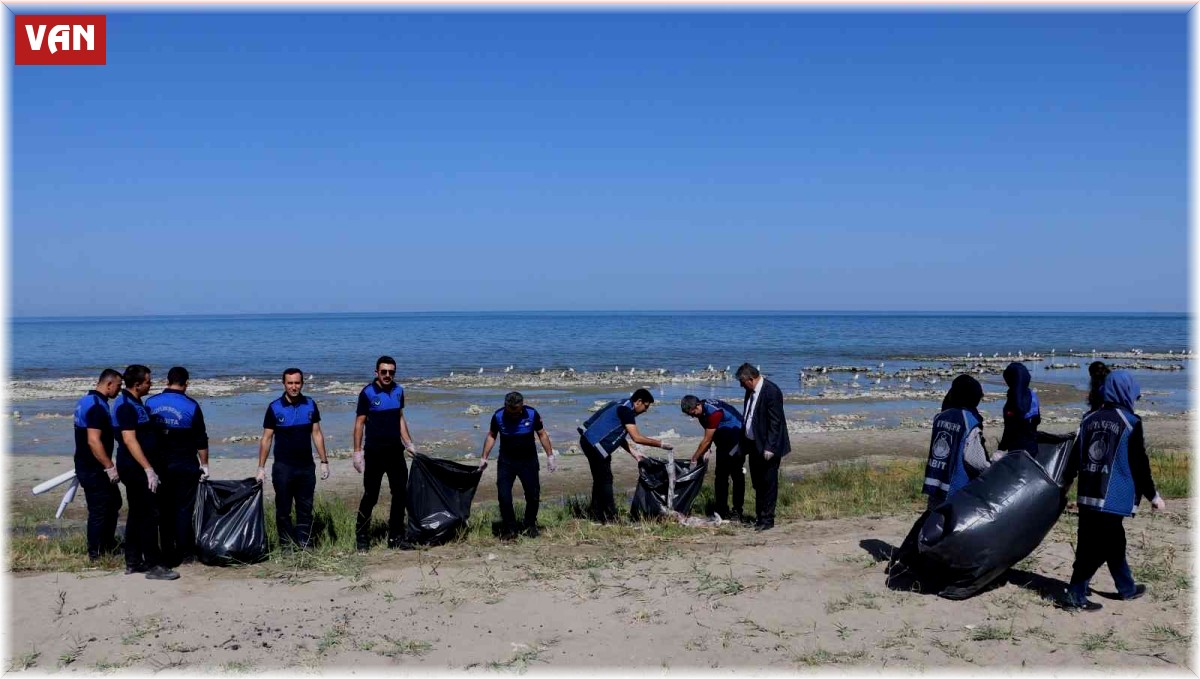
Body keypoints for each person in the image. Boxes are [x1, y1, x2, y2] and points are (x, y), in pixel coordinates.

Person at [1057, 371, 1165, 612]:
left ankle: (1126, 588)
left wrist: (1065, 483)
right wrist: (1153, 495)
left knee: (1106, 542)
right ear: (1125, 393)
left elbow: (1075, 456)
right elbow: (1140, 463)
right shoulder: (1131, 422)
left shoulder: (1088, 418)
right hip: (1112, 496)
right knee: (1098, 547)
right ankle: (1075, 593)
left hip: (1087, 494)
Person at [113, 365, 179, 581]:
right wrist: (148, 468)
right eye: (148, 381)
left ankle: (133, 561)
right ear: (137, 384)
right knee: (150, 514)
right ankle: (153, 564)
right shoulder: (124, 405)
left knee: (137, 514)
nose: (151, 384)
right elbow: (129, 439)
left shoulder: (135, 402)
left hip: (141, 467)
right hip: (135, 468)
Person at [257, 368, 330, 550]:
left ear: (302, 383)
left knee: (305, 508)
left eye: (297, 383)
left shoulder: (310, 404)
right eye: (290, 383)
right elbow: (266, 438)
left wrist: (324, 462)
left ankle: (305, 543)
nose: (294, 386)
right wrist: (261, 467)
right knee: (283, 510)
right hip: (283, 467)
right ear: (284, 384)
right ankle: (287, 546)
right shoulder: (275, 407)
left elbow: (317, 433)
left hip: (306, 467)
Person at [351, 356, 419, 551]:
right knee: (371, 496)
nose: (387, 375)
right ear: (376, 373)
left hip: (395, 452)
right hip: (374, 453)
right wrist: (357, 452)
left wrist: (408, 443)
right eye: (384, 372)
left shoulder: (399, 391)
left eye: (391, 372)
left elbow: (400, 418)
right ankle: (362, 537)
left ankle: (395, 537)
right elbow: (359, 424)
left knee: (400, 494)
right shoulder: (367, 393)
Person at [577, 388, 673, 523]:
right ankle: (611, 517)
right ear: (638, 401)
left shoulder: (621, 403)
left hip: (590, 442)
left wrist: (634, 453)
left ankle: (596, 514)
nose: (646, 410)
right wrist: (661, 444)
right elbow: (637, 438)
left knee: (600, 479)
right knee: (605, 480)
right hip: (594, 444)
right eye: (645, 406)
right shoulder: (626, 411)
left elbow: (617, 433)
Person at [146, 367, 209, 567]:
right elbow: (201, 440)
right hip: (184, 464)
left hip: (158, 465)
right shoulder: (191, 406)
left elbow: (144, 435)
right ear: (186, 383)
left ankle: (166, 550)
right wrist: (205, 464)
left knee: (163, 509)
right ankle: (186, 552)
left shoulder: (150, 403)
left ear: (167, 381)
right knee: (183, 510)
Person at [479, 391, 555, 538]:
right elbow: (492, 435)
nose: (514, 414)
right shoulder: (498, 416)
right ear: (505, 406)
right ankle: (510, 529)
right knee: (504, 496)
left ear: (522, 405)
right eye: (511, 411)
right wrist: (484, 458)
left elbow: (542, 434)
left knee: (533, 495)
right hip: (506, 462)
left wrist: (550, 455)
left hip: (528, 461)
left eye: (517, 411)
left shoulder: (532, 414)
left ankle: (529, 525)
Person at [72, 368, 124, 561]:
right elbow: (93, 441)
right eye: (118, 386)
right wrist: (110, 467)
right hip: (94, 468)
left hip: (88, 464)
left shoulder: (86, 400)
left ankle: (107, 544)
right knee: (100, 509)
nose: (119, 390)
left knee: (114, 502)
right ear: (108, 384)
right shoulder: (96, 406)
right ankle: (96, 554)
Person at [736, 364, 791, 531]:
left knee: (768, 483)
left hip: (768, 446)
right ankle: (760, 516)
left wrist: (770, 447)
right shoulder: (750, 391)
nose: (741, 386)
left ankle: (767, 520)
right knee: (757, 482)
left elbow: (776, 422)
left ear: (751, 379)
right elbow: (749, 415)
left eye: (742, 382)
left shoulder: (771, 391)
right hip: (753, 444)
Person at [922, 374, 989, 509]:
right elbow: (975, 461)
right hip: (957, 488)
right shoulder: (970, 421)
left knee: (935, 522)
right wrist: (992, 470)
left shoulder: (940, 417)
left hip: (935, 484)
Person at [680, 394, 745, 521]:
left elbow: (706, 439)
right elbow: (709, 437)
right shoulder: (701, 413)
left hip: (737, 439)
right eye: (690, 414)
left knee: (736, 475)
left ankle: (737, 511)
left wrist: (694, 458)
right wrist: (706, 450)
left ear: (698, 405)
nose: (692, 415)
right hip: (723, 441)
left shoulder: (713, 412)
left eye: (693, 412)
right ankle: (721, 509)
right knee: (720, 476)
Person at [997, 362, 1041, 456]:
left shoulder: (1013, 399)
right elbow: (1037, 420)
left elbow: (1009, 428)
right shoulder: (1033, 396)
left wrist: (1001, 448)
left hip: (1016, 449)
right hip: (1032, 446)